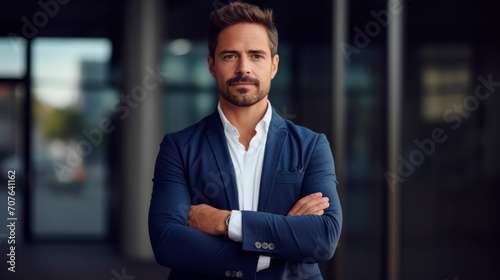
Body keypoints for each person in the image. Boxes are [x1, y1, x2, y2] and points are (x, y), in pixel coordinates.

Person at [148, 2, 342, 279]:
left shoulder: (311, 146)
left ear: (273, 65)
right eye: (230, 56)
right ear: (212, 65)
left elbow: (323, 238)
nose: (243, 68)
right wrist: (280, 241)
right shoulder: (178, 148)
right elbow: (167, 242)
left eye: (256, 56)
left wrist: (227, 222)